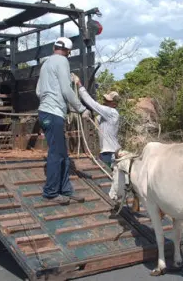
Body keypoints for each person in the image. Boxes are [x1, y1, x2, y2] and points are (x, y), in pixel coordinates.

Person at [36, 37, 91, 205]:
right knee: (56, 154)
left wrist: (50, 100)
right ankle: (51, 192)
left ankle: (65, 189)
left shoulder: (46, 63)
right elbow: (67, 90)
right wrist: (81, 109)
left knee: (63, 154)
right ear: (68, 51)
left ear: (54, 47)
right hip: (53, 114)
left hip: (46, 112)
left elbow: (38, 91)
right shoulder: (62, 61)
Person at [72, 74, 121, 168]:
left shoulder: (111, 112)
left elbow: (93, 104)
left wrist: (79, 85)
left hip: (110, 153)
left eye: (107, 100)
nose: (104, 101)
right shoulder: (107, 115)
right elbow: (97, 120)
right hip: (108, 152)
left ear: (114, 104)